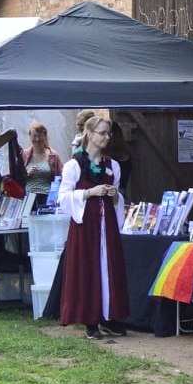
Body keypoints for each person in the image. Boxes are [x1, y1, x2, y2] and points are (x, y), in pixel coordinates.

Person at [57, 117, 128, 340]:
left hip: (106, 226)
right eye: (102, 133)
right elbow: (63, 197)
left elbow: (118, 197)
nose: (106, 137)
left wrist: (116, 196)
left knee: (109, 267)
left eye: (108, 133)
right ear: (89, 133)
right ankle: (90, 319)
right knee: (88, 267)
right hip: (85, 227)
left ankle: (109, 316)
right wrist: (89, 193)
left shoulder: (112, 165)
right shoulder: (74, 165)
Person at [21, 121, 63, 211]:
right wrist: (26, 174)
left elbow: (61, 176)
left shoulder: (53, 155)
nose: (37, 139)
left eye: (39, 136)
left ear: (45, 136)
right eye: (34, 136)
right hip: (28, 197)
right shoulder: (24, 154)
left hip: (47, 198)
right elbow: (17, 176)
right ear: (30, 137)